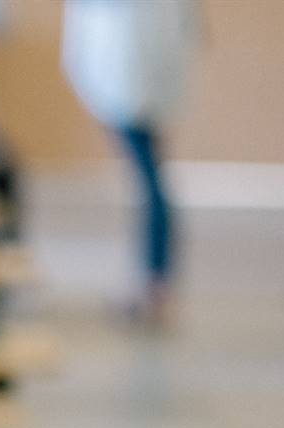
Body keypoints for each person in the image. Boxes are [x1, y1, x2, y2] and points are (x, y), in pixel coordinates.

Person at [63, 0, 201, 327]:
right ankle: (152, 282)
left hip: (131, 76)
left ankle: (154, 285)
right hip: (142, 75)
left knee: (150, 182)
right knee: (150, 180)